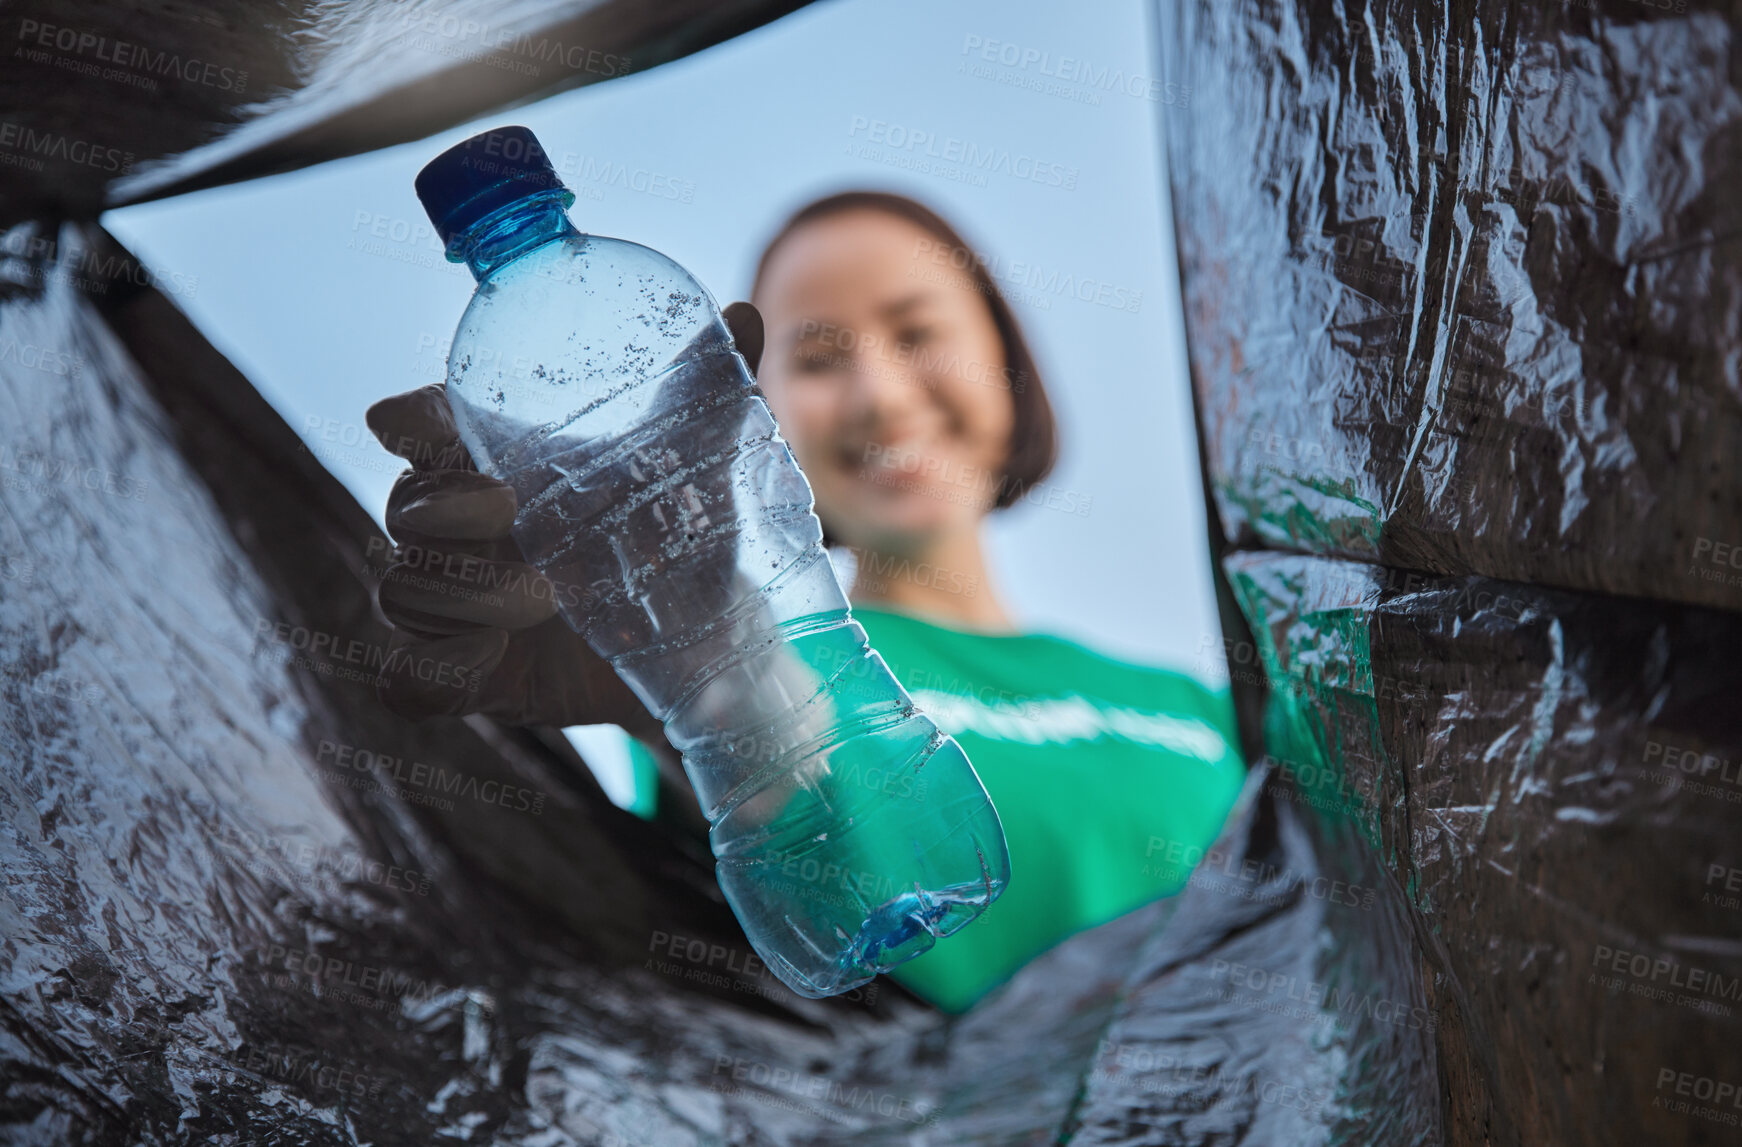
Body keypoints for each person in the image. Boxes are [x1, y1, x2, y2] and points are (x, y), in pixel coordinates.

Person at [364, 190, 1247, 1013]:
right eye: (819, 358)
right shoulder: (761, 661)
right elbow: (797, 835)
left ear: (1005, 361)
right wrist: (685, 657)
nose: (882, 397)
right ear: (756, 411)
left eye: (918, 333)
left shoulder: (1204, 707)